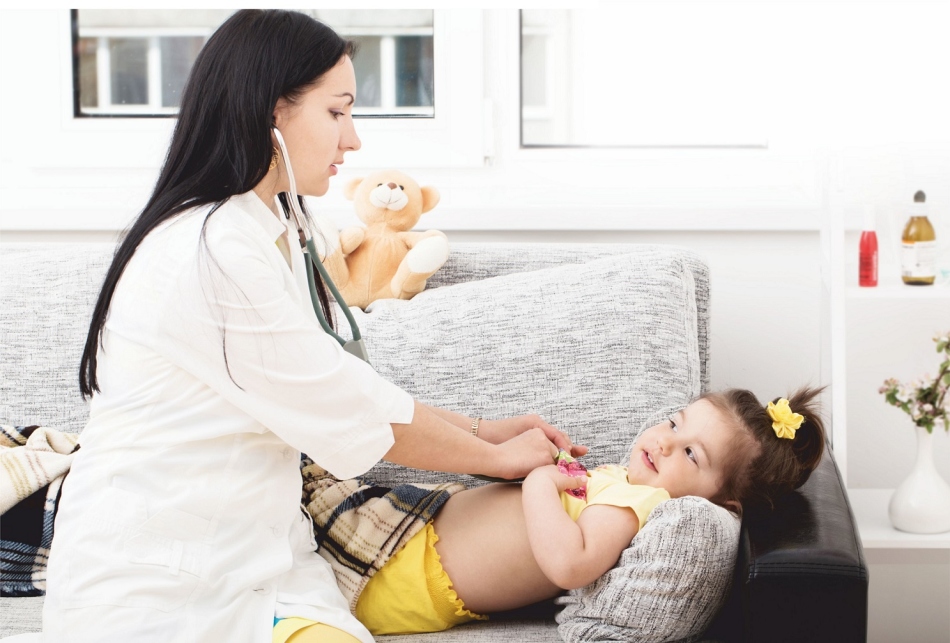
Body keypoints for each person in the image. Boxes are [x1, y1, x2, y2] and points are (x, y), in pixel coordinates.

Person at [42, 10, 582, 643]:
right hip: (157, 589)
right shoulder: (211, 250)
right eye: (337, 112)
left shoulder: (273, 228)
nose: (352, 141)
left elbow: (336, 385)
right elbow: (352, 409)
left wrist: (483, 429)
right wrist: (491, 456)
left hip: (264, 566)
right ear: (273, 113)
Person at [323, 386, 826, 636]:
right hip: (414, 530)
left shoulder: (639, 503)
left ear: (721, 502)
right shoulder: (623, 483)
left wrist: (541, 482)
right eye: (674, 424)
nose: (667, 443)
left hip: (402, 571)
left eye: (693, 454)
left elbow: (570, 562)